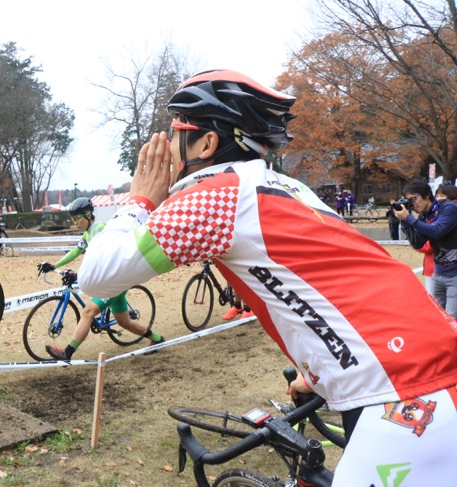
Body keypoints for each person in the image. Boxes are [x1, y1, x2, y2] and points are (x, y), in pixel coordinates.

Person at [77, 69, 457, 485]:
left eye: (174, 130)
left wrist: (140, 200)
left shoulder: (213, 194)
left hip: (402, 387)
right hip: (422, 358)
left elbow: (97, 277)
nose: (165, 144)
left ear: (206, 142)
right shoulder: (288, 187)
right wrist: (315, 372)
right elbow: (331, 279)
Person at [37, 197, 165, 361]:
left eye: (77, 219)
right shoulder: (88, 233)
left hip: (113, 279)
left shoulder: (100, 230)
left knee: (88, 311)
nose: (75, 223)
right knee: (124, 322)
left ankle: (67, 353)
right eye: (72, 219)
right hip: (113, 279)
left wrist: (77, 274)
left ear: (89, 216)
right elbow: (75, 252)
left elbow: (103, 261)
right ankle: (157, 339)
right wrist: (54, 265)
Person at [396, 180, 457, 319]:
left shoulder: (448, 208)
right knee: (438, 317)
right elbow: (418, 244)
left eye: (414, 198)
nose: (413, 204)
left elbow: (437, 231)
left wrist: (409, 219)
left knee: (452, 319)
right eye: (409, 201)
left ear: (427, 195)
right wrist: (404, 221)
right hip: (439, 273)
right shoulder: (424, 216)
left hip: (455, 274)